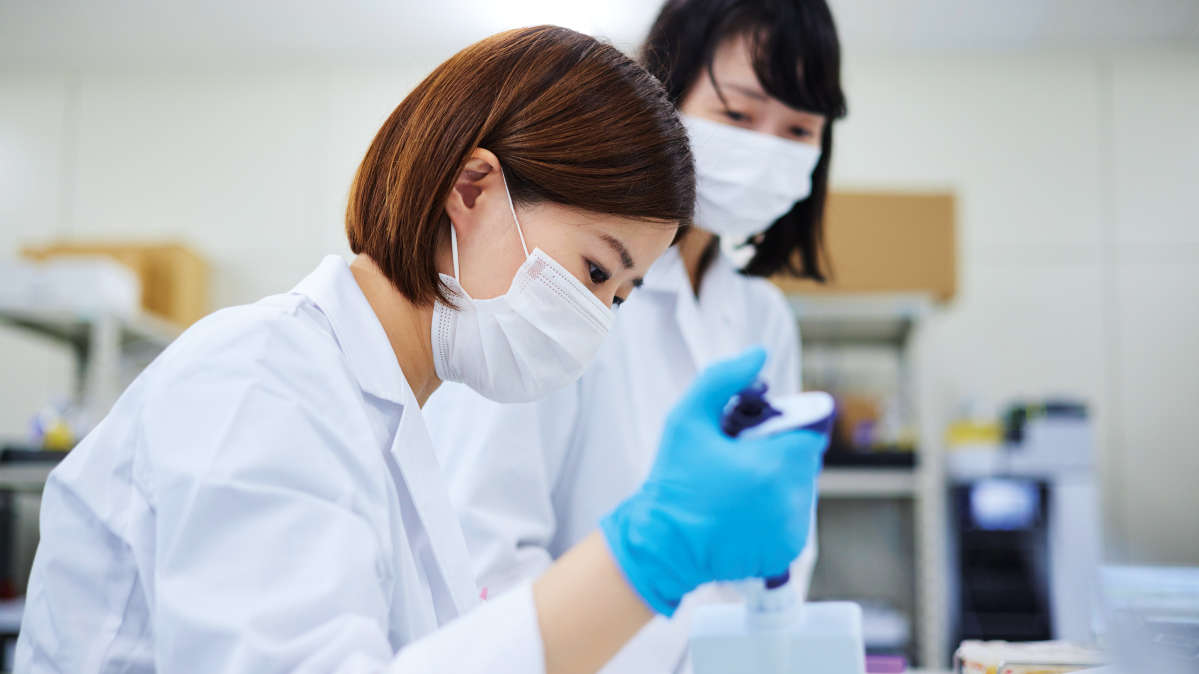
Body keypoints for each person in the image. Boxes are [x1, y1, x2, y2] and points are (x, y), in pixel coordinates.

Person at [15, 26, 828, 674]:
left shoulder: (390, 424)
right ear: (471, 189)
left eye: (619, 295)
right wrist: (649, 550)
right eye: (591, 271)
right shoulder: (256, 379)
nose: (596, 321)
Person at [424, 1, 848, 670]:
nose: (765, 147)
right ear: (662, 98)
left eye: (798, 128)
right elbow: (487, 549)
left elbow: (781, 545)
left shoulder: (761, 316)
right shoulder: (561, 285)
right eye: (737, 116)